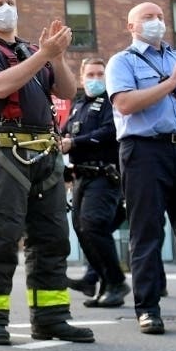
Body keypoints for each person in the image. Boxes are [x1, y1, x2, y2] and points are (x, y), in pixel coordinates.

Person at [0, 0, 94, 345]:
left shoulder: (34, 51)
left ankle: (51, 318)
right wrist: (42, 56)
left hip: (45, 154)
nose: (6, 9)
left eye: (10, 3)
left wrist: (57, 56)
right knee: (0, 238)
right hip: (5, 153)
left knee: (52, 238)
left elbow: (65, 92)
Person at [105, 1, 176, 334]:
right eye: (148, 17)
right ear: (130, 25)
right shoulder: (122, 61)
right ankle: (148, 309)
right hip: (143, 151)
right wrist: (171, 82)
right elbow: (125, 103)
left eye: (161, 17)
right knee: (146, 232)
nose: (157, 22)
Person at [60, 57, 129, 308]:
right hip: (80, 177)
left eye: (100, 74)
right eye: (91, 74)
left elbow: (110, 132)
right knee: (82, 229)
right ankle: (102, 282)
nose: (96, 79)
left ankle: (116, 281)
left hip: (104, 176)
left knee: (93, 226)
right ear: (82, 77)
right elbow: (63, 132)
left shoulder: (112, 103)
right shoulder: (78, 106)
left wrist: (75, 143)